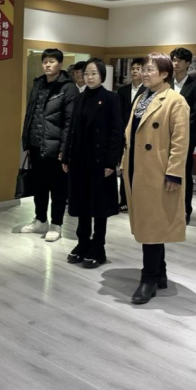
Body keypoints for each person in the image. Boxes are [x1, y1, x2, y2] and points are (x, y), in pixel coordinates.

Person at [122, 52, 189, 305]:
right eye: (144, 69)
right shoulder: (142, 97)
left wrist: (174, 173)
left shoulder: (175, 101)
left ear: (165, 73)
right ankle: (159, 272)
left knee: (152, 225)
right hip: (137, 167)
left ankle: (148, 278)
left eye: (150, 69)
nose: (145, 73)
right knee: (149, 223)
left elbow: (180, 142)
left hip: (158, 171)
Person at [62, 59, 123, 268]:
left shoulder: (111, 98)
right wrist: (66, 156)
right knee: (81, 204)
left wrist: (111, 162)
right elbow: (71, 129)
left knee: (99, 207)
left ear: (102, 76)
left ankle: (98, 247)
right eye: (86, 73)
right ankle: (82, 243)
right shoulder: (80, 98)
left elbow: (116, 133)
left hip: (100, 161)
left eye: (94, 73)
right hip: (79, 160)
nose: (89, 77)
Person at [19, 49, 77, 242]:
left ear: (60, 64)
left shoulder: (68, 88)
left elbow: (70, 122)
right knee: (39, 186)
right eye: (45, 62)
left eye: (52, 61)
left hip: (56, 148)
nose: (47, 65)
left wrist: (64, 149)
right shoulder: (38, 84)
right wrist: (27, 140)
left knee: (58, 188)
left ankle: (56, 224)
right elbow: (31, 113)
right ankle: (40, 220)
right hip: (36, 145)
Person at [170, 48, 196, 224]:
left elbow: (195, 114)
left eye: (180, 60)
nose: (176, 63)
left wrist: (177, 128)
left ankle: (185, 210)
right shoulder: (166, 84)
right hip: (163, 137)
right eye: (174, 60)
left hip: (184, 137)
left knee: (183, 173)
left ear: (188, 63)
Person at [116, 59, 146, 212]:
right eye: (133, 68)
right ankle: (124, 200)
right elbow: (118, 112)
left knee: (139, 169)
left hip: (141, 134)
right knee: (124, 168)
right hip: (123, 133)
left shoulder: (148, 91)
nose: (134, 71)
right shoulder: (123, 90)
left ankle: (139, 201)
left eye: (138, 68)